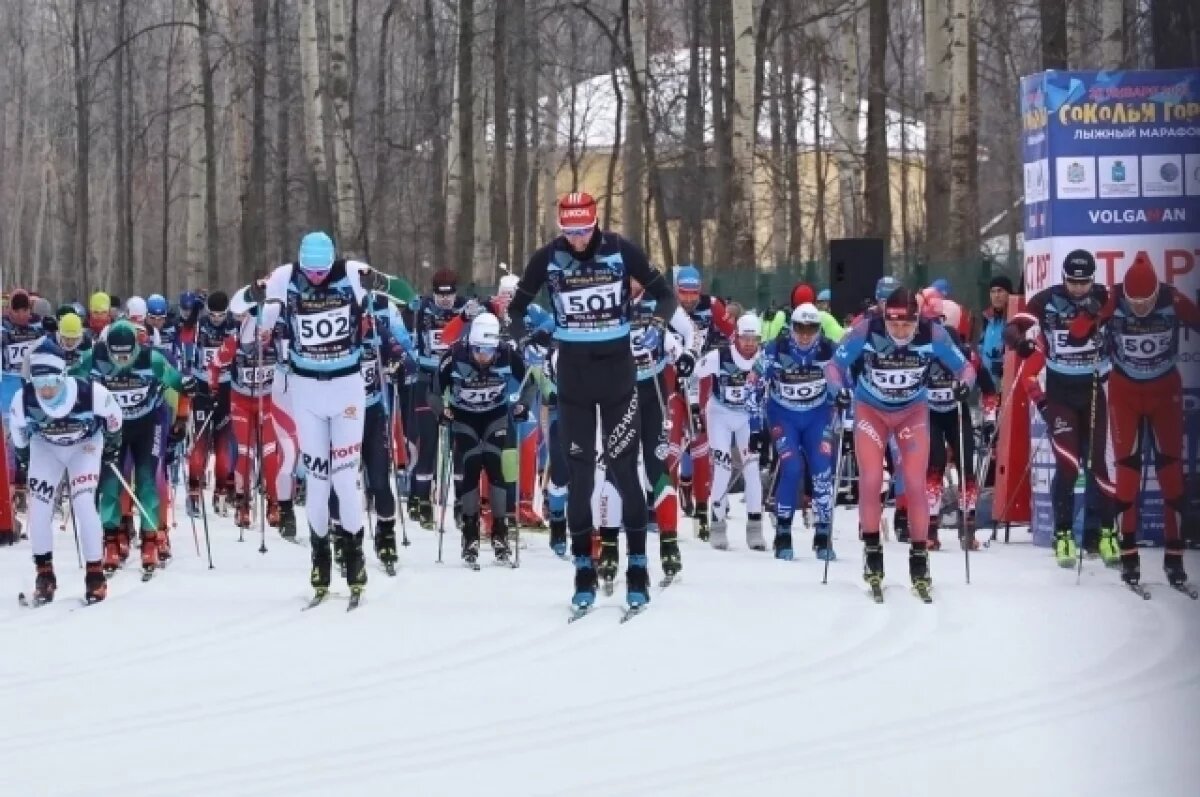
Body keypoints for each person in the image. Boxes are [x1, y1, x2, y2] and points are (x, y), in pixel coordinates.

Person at [506, 191, 678, 613]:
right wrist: (525, 341)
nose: (578, 240)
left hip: (618, 375)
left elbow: (666, 295)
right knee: (580, 476)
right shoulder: (548, 257)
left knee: (623, 468)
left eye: (584, 231)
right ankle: (584, 568)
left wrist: (656, 325)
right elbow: (515, 310)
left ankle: (637, 567)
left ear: (595, 223)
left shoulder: (620, 249)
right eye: (570, 232)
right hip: (574, 377)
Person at [257, 231, 414, 606]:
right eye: (310, 271)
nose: (315, 277)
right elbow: (242, 308)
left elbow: (407, 294)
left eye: (321, 270)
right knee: (317, 480)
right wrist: (260, 308)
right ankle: (320, 558)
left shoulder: (352, 272)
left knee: (346, 479)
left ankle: (356, 554)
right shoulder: (286, 276)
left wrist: (381, 283)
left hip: (349, 391)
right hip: (307, 390)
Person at [828, 288, 975, 597]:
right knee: (870, 479)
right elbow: (834, 366)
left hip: (912, 412)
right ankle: (872, 553)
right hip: (871, 410)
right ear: (885, 317)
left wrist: (964, 384)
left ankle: (919, 559)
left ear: (917, 320)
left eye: (907, 325)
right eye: (894, 325)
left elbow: (966, 367)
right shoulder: (867, 329)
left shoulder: (932, 333)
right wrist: (837, 388)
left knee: (913, 482)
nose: (900, 332)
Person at [1071, 258, 1199, 589]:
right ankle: (1129, 555)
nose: (1140, 308)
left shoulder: (1172, 299)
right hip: (1125, 392)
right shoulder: (1114, 298)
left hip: (1164, 390)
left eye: (1147, 301)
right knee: (1127, 472)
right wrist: (1092, 313)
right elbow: (1076, 336)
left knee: (1170, 471)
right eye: (1134, 301)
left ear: (1157, 292)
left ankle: (1175, 556)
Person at [1005, 250, 1115, 566]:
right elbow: (1015, 327)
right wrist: (1020, 342)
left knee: (1098, 465)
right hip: (1061, 392)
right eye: (1072, 281)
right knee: (1067, 466)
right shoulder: (1047, 299)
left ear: (1092, 279)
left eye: (1084, 282)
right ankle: (1063, 534)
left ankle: (1107, 533)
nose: (1078, 288)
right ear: (1064, 278)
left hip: (1095, 388)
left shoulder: (1105, 297)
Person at [9, 339, 124, 605]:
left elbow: (114, 416)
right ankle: (44, 573)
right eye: (39, 383)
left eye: (51, 380)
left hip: (84, 446)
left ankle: (95, 574)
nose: (46, 389)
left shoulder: (89, 392)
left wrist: (112, 446)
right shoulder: (23, 399)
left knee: (83, 502)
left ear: (63, 374)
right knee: (38, 508)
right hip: (45, 447)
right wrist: (25, 458)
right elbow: (18, 433)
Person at [85, 320, 196, 578]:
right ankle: (111, 539)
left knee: (147, 479)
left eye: (127, 353)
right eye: (117, 354)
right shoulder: (95, 357)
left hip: (148, 423)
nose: (122, 359)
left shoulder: (151, 359)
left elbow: (177, 381)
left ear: (137, 346)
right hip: (115, 427)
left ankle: (150, 539)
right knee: (110, 483)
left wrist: (189, 387)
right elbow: (68, 379)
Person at [434, 312, 536, 567]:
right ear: (470, 344)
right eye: (479, 350)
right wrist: (441, 411)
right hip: (464, 416)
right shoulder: (454, 356)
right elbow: (434, 390)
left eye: (488, 351)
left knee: (494, 464)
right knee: (470, 465)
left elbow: (530, 382)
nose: (484, 356)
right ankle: (470, 534)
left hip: (495, 415)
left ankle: (500, 533)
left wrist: (522, 406)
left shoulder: (507, 354)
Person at [759, 303, 838, 560]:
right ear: (790, 327)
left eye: (811, 329)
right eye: (799, 328)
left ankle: (823, 532)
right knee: (792, 468)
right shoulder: (776, 348)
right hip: (784, 416)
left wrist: (844, 398)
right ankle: (783, 532)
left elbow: (846, 380)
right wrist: (752, 421)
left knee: (822, 469)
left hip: (818, 416)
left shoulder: (829, 350)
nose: (805, 335)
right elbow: (754, 380)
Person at [695, 313, 766, 550]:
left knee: (752, 470)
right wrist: (694, 406)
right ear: (736, 336)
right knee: (723, 468)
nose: (749, 344)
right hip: (720, 415)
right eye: (745, 338)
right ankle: (717, 525)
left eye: (754, 339)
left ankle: (755, 528)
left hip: (747, 417)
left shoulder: (763, 359)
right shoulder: (720, 356)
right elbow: (693, 373)